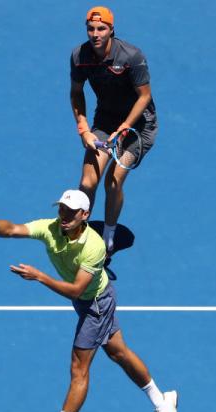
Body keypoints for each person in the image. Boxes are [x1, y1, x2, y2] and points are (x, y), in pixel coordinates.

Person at [0, 189, 178, 412]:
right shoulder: (50, 228)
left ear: (85, 215)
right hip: (89, 302)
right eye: (61, 209)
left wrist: (40, 276)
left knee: (79, 368)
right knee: (118, 353)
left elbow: (77, 290)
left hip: (95, 304)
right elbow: (13, 229)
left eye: (71, 212)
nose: (63, 216)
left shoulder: (94, 246)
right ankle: (163, 402)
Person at [70, 6, 158, 255]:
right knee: (87, 182)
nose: (95, 34)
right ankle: (80, 235)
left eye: (101, 28)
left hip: (139, 126)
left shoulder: (131, 56)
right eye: (91, 28)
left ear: (111, 30)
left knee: (112, 182)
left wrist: (125, 126)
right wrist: (84, 130)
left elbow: (144, 96)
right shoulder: (79, 56)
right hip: (105, 123)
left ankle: (108, 237)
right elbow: (76, 92)